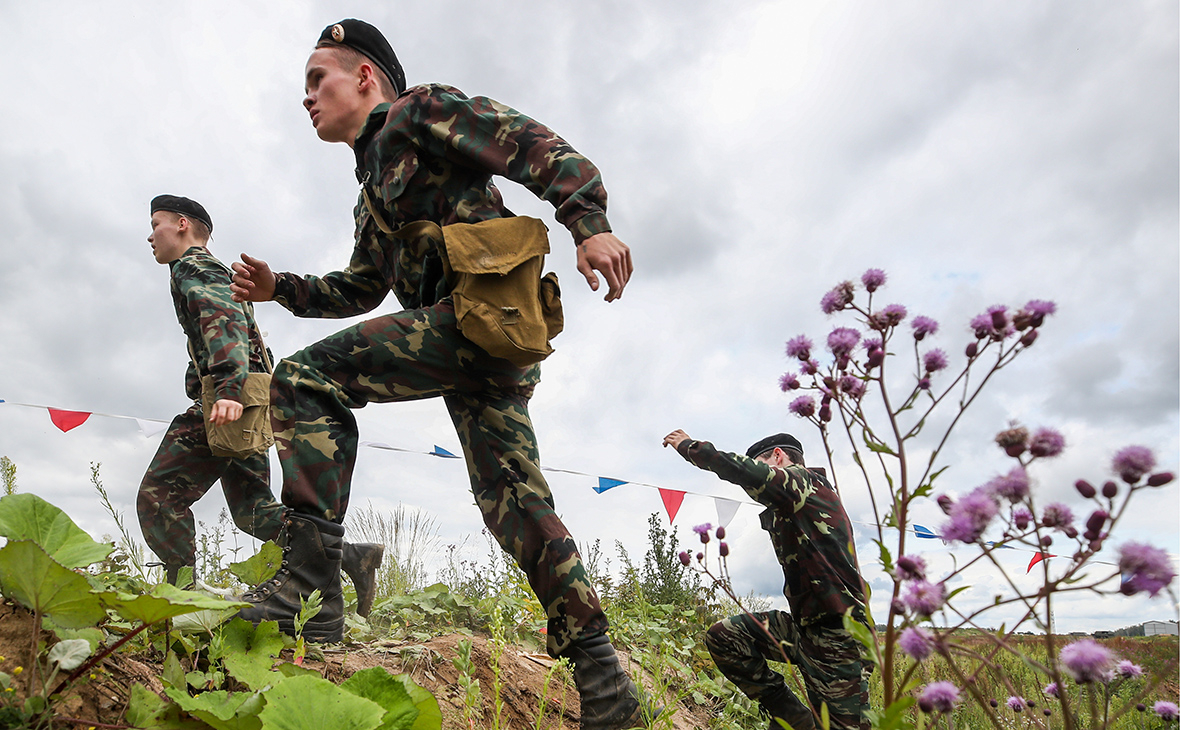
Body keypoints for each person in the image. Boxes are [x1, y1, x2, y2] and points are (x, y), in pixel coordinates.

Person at [229, 19, 649, 729]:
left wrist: (589, 222)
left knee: (302, 381)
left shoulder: (420, 111)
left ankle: (310, 591)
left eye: (316, 79)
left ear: (364, 77)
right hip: (474, 343)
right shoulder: (370, 193)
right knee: (511, 500)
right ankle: (606, 688)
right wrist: (282, 288)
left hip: (480, 316)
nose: (306, 98)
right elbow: (359, 289)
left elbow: (530, 144)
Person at [139, 195, 384, 616]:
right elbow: (232, 328)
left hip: (228, 404)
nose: (150, 235)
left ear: (182, 224)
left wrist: (229, 389)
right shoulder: (211, 270)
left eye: (155, 224)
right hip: (251, 403)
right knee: (253, 510)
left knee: (159, 497)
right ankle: (352, 557)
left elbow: (224, 320)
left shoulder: (192, 266)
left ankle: (179, 599)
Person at [662, 430, 871, 730]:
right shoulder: (794, 501)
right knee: (726, 637)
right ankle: (792, 715)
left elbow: (745, 473)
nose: (759, 472)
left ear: (777, 456)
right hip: (804, 630)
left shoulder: (804, 482)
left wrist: (690, 447)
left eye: (761, 463)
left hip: (839, 638)